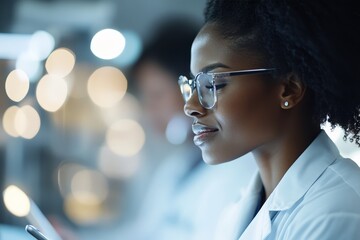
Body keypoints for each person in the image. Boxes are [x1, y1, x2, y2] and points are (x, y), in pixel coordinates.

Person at [178, 0, 360, 239]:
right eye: (192, 85)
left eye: (213, 84)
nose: (190, 106)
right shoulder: (238, 211)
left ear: (289, 89)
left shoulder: (336, 212)